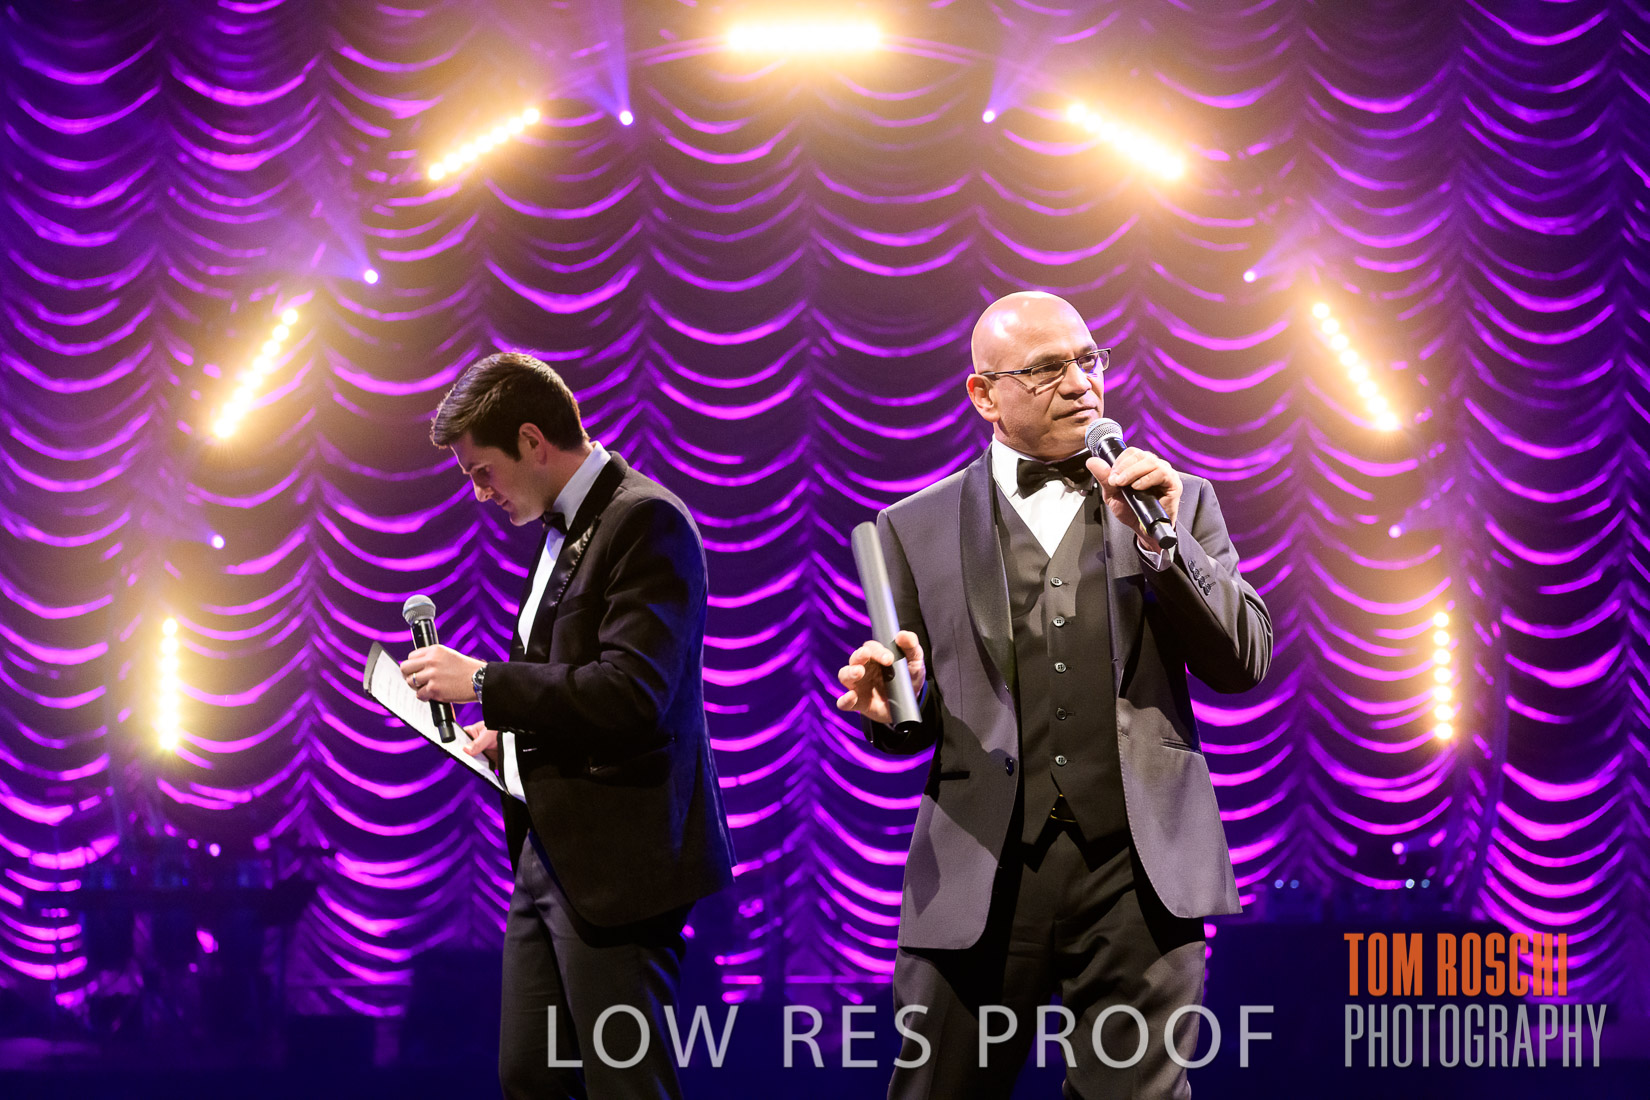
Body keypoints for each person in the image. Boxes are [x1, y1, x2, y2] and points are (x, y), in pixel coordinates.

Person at [835, 291, 1272, 1098]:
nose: (1081, 383)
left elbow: (1244, 661)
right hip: (982, 871)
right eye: (1046, 369)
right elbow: (910, 718)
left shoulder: (1176, 500)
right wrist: (895, 709)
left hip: (1139, 876)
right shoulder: (912, 526)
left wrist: (1166, 546)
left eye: (1089, 360)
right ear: (984, 395)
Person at [400, 350, 734, 1099]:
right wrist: (510, 737)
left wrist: (482, 682)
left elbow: (632, 694)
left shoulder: (644, 519)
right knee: (530, 1076)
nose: (480, 493)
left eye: (482, 472)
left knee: (625, 1087)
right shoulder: (565, 525)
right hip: (547, 850)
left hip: (619, 862)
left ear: (531, 440)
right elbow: (571, 679)